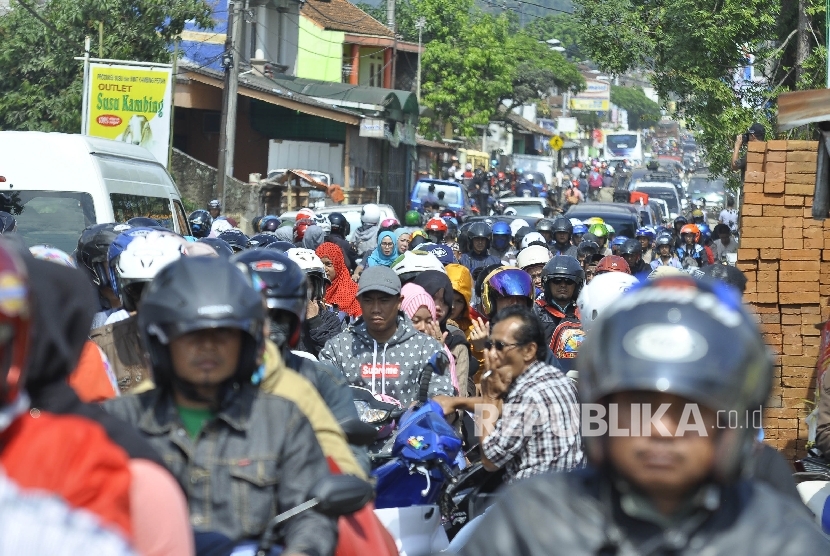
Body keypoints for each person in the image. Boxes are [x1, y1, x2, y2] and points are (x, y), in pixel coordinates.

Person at [457, 277, 830, 556]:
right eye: (638, 407)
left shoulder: (779, 541)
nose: (660, 430)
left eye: (689, 411)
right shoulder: (528, 526)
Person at [104, 256, 336, 555]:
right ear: (161, 339)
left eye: (224, 332)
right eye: (191, 332)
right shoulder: (116, 424)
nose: (208, 346)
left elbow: (311, 515)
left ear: (247, 341)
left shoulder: (282, 420)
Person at [434, 306, 583, 482]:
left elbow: (490, 459)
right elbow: (507, 406)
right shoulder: (552, 378)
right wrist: (457, 402)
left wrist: (489, 395)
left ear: (528, 350)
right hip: (568, 490)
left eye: (500, 346)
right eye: (490, 345)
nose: (491, 353)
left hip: (534, 499)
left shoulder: (529, 394)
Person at [319, 266, 455, 406]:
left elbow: (443, 398)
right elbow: (322, 399)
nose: (376, 309)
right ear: (358, 300)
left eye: (384, 301)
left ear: (399, 302)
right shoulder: (338, 349)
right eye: (368, 301)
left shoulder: (428, 349)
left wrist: (422, 409)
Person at [412, 270, 473, 397]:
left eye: (445, 301)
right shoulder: (393, 339)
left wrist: (439, 355)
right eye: (432, 297)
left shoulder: (457, 345)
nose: (439, 306)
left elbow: (458, 404)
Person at [401, 283, 459, 393]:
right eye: (415, 321)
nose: (423, 328)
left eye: (429, 321)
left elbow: (450, 395)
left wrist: (437, 355)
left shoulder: (441, 350)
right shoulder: (389, 350)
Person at [533, 255, 583, 348]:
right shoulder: (534, 313)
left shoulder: (585, 313)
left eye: (569, 281)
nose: (563, 285)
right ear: (547, 283)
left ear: (577, 285)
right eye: (557, 281)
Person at [316, 242, 363, 318]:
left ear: (338, 265)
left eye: (328, 264)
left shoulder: (353, 292)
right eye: (321, 264)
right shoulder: (313, 289)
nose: (324, 269)